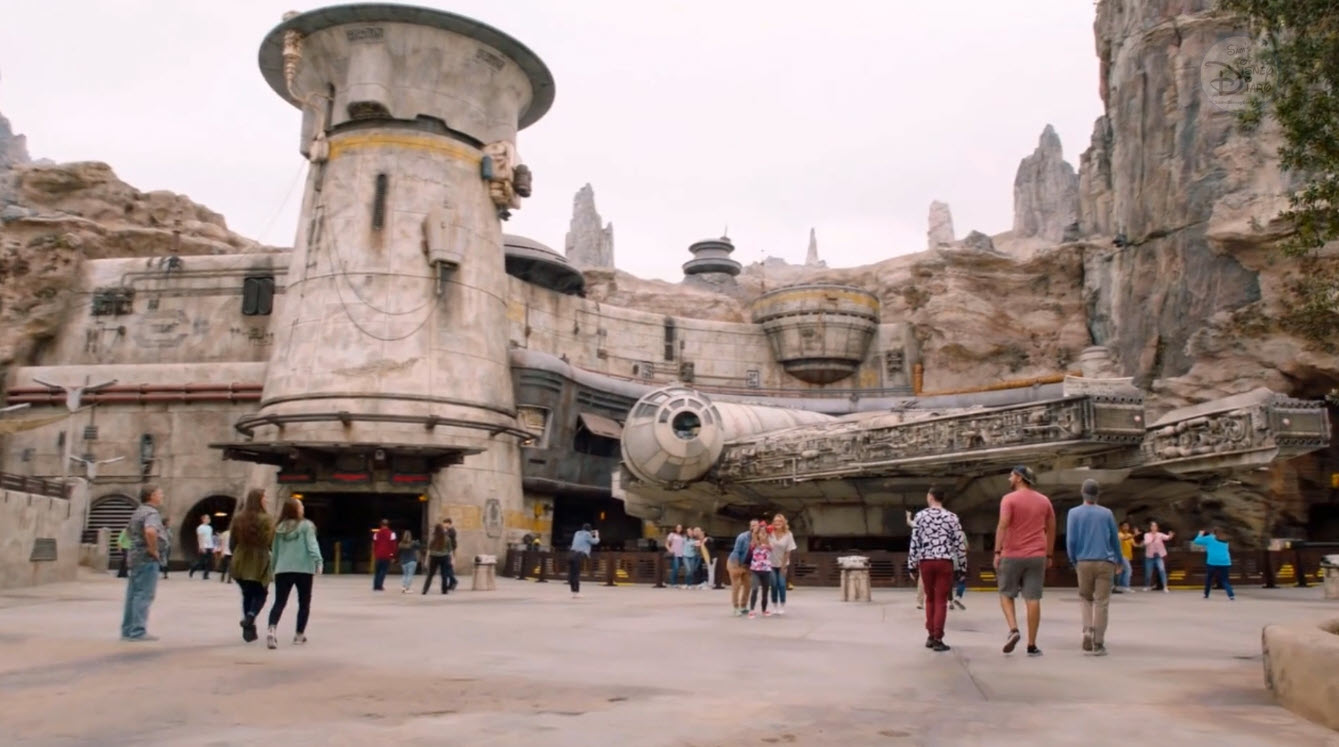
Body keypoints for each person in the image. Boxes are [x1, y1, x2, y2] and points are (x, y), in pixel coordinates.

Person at [994, 465, 1055, 657]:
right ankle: (1032, 645)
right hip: (1037, 556)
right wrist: (1049, 554)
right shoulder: (1044, 500)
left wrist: (997, 551)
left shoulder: (1008, 499)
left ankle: (1013, 629)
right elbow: (1051, 527)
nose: (1009, 479)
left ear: (1019, 478)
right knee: (1033, 598)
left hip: (1012, 554)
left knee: (1006, 593)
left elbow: (1003, 524)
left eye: (1011, 475)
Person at [907, 486, 967, 652]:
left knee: (930, 599)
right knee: (941, 600)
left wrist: (911, 565)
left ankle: (930, 635)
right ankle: (938, 638)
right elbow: (959, 544)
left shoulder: (920, 516)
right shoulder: (952, 517)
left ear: (930, 497)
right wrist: (962, 567)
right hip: (944, 562)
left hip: (926, 561)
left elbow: (915, 542)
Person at [1065, 479, 1121, 657]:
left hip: (1083, 561)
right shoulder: (1107, 513)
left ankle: (1088, 630)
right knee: (1102, 602)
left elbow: (1071, 540)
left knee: (1085, 598)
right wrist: (1119, 560)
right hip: (1105, 562)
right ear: (1098, 495)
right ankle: (1098, 643)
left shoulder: (1073, 513)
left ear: (1082, 492)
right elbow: (1114, 539)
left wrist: (1074, 560)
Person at [267, 498, 322, 649]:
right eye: (300, 506)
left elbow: (275, 551)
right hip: (303, 569)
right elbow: (312, 545)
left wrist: (273, 568)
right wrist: (318, 561)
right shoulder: (306, 526)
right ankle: (299, 634)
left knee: (279, 602)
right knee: (304, 602)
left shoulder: (279, 527)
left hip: (283, 569)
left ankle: (271, 629)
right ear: (296, 509)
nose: (303, 508)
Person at [121, 484, 168, 641]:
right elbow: (150, 531)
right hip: (147, 558)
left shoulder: (138, 512)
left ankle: (127, 630)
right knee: (144, 594)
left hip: (135, 557)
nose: (162, 496)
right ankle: (138, 631)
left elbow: (129, 532)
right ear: (152, 495)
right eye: (160, 493)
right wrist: (153, 550)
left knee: (133, 595)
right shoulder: (151, 513)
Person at [229, 488, 274, 643]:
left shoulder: (238, 518)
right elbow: (270, 541)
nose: (266, 499)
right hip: (259, 559)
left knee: (247, 594)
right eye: (264, 497)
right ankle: (250, 616)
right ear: (259, 500)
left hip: (240, 557)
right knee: (261, 592)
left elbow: (232, 542)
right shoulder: (267, 519)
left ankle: (249, 630)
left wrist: (235, 554)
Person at [1193, 527, 1236, 600]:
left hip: (1212, 561)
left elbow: (1196, 541)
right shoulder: (1225, 539)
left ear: (1213, 532)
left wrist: (1200, 534)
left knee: (1209, 578)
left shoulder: (1210, 538)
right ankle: (1231, 595)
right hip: (1225, 562)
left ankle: (1206, 594)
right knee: (1224, 580)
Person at [769, 514, 797, 615]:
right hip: (770, 563)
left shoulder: (788, 534)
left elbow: (788, 551)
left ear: (784, 522)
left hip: (782, 563)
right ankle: (774, 605)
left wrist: (783, 566)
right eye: (775, 521)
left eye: (780, 521)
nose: (777, 523)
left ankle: (782, 605)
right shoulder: (769, 533)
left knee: (781, 585)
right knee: (773, 585)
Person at [727, 520, 757, 616]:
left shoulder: (759, 538)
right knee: (737, 585)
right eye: (752, 525)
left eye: (756, 525)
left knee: (748, 585)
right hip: (735, 562)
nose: (754, 527)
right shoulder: (742, 537)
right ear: (750, 527)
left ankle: (743, 606)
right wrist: (736, 567)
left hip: (747, 565)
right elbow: (736, 551)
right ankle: (736, 608)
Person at [747, 524, 773, 618]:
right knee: (755, 589)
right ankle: (752, 609)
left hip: (766, 570)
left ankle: (764, 609)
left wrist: (766, 537)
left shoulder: (769, 545)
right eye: (761, 533)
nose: (763, 534)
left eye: (764, 533)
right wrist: (755, 533)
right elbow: (754, 544)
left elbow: (769, 547)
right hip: (755, 570)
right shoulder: (754, 544)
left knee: (765, 590)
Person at [1141, 521, 1174, 593]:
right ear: (1150, 527)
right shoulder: (1147, 535)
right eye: (1152, 526)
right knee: (1148, 572)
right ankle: (1147, 586)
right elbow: (1146, 542)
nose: (1154, 527)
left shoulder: (1160, 534)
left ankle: (1165, 586)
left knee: (1162, 569)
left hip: (1158, 555)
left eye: (1155, 526)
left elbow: (1167, 537)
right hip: (1149, 556)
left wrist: (1170, 536)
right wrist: (1152, 539)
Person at [569, 523, 600, 598]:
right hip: (579, 555)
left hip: (571, 553)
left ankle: (573, 591)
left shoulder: (577, 533)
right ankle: (577, 592)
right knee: (576, 574)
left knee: (572, 574)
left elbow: (583, 537)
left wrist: (590, 533)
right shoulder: (587, 534)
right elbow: (595, 542)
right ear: (589, 529)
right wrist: (597, 535)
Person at [422, 523, 453, 595]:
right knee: (444, 574)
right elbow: (450, 551)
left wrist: (426, 560)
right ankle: (444, 590)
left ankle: (425, 590)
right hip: (444, 557)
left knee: (430, 574)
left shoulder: (433, 539)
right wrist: (452, 560)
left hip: (434, 557)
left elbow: (429, 550)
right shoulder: (447, 538)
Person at [906, 508, 925, 610]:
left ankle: (920, 602)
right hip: (939, 557)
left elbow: (914, 546)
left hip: (924, 558)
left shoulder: (919, 526)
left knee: (922, 580)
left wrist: (912, 565)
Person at [372, 519, 395, 591]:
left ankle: (375, 586)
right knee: (383, 571)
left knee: (377, 571)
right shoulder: (392, 533)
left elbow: (375, 545)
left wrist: (375, 553)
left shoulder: (376, 534)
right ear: (388, 525)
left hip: (378, 555)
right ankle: (379, 585)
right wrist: (392, 556)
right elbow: (393, 546)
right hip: (387, 555)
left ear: (381, 525)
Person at [189, 514, 213, 579]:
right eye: (207, 518)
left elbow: (210, 537)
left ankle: (206, 575)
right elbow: (199, 537)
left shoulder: (210, 528)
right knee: (202, 562)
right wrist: (201, 547)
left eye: (209, 518)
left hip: (210, 546)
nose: (209, 519)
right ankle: (193, 568)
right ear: (203, 519)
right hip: (203, 546)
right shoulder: (200, 528)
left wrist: (212, 546)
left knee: (209, 562)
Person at [1115, 521, 1136, 593]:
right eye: (1124, 526)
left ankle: (1120, 586)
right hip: (1121, 555)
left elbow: (1135, 545)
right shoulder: (1119, 534)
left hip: (1128, 556)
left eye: (1127, 526)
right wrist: (1134, 535)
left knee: (1123, 571)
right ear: (1121, 527)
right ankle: (1126, 586)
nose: (1126, 528)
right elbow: (1124, 538)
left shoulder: (1129, 535)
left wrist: (1143, 543)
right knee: (1128, 570)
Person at [442, 518, 459, 591]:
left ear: (448, 523)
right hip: (447, 550)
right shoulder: (448, 530)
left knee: (448, 566)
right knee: (448, 567)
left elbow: (447, 537)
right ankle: (451, 583)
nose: (443, 525)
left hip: (450, 551)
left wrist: (444, 532)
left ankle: (453, 581)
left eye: (444, 523)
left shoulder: (452, 531)